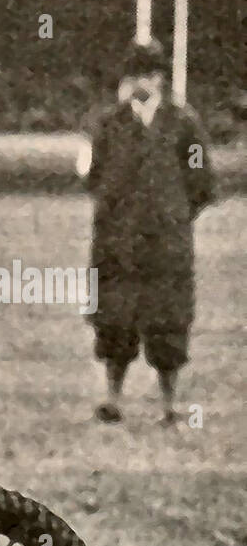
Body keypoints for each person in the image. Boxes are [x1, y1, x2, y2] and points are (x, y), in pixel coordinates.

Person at [84, 39, 216, 427]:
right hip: (117, 242)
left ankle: (170, 405)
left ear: (160, 77)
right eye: (134, 74)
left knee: (168, 322)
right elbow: (94, 177)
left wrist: (171, 215)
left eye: (148, 73)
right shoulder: (108, 124)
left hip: (166, 244)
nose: (140, 82)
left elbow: (202, 180)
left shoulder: (183, 123)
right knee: (114, 320)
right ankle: (112, 399)